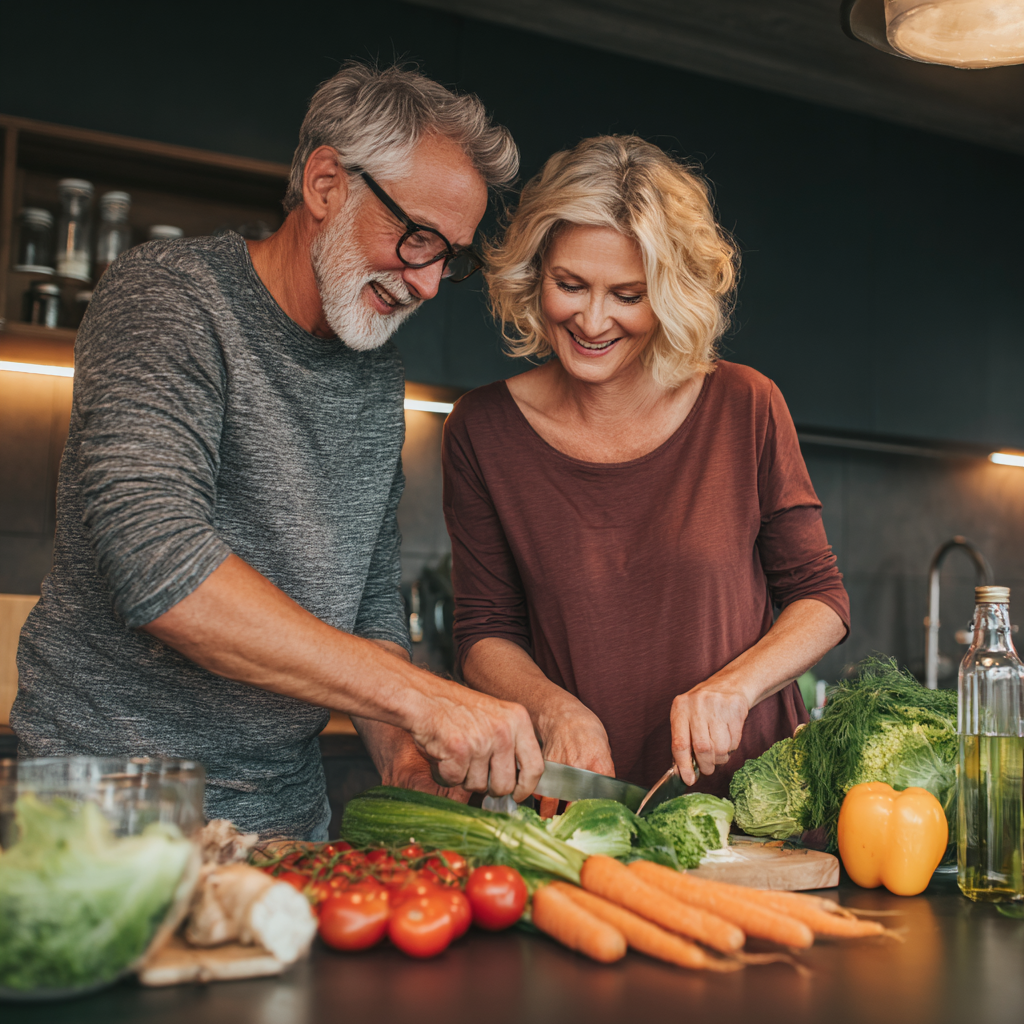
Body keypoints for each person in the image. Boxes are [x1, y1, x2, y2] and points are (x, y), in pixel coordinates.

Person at [12, 63, 544, 839]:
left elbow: (365, 596)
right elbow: (160, 566)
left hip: (287, 822)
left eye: (448, 257)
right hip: (107, 813)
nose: (429, 285)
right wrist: (420, 698)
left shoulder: (372, 376)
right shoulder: (170, 297)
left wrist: (402, 755)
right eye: (418, 237)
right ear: (326, 182)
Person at [442, 135, 850, 805]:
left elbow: (822, 600)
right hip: (581, 806)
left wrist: (735, 687)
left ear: (667, 295)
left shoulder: (744, 404)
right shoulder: (482, 432)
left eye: (626, 294)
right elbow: (485, 630)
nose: (592, 320)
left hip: (751, 812)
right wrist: (554, 711)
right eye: (570, 285)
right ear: (535, 271)